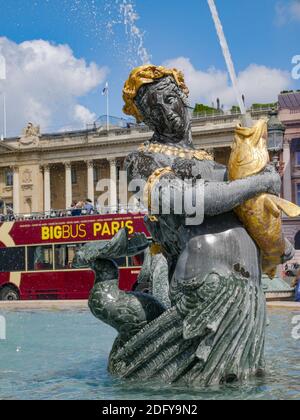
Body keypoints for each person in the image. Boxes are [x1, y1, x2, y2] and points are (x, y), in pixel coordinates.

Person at [90, 65, 293, 386]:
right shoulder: (141, 159)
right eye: (151, 107)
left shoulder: (212, 161)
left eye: (169, 98)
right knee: (203, 388)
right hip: (207, 287)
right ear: (143, 116)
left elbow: (248, 213)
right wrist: (257, 183)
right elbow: (188, 200)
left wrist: (280, 245)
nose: (163, 110)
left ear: (185, 99)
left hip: (248, 292)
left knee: (237, 383)